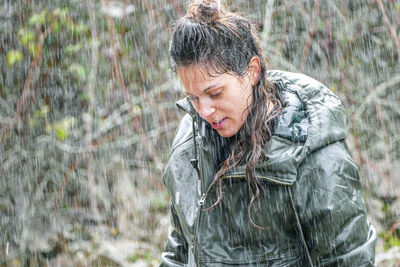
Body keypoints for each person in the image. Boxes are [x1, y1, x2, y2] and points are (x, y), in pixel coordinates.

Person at [160, 0, 377, 266]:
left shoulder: (312, 150)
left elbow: (348, 259)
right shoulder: (188, 145)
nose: (203, 110)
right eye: (192, 97)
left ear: (252, 71)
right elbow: (180, 252)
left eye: (215, 93)